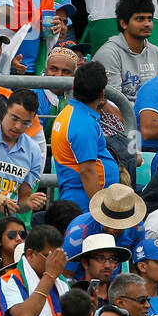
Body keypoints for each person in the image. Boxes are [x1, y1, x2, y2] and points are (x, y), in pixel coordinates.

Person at [50, 62, 120, 209]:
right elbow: (87, 170)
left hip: (80, 199)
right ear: (102, 93)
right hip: (84, 204)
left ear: (74, 88)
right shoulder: (82, 123)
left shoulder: (72, 114)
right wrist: (99, 210)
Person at [92, 0, 158, 103]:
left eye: (150, 19)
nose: (147, 24)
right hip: (122, 116)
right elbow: (114, 101)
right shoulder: (108, 54)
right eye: (140, 19)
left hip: (154, 114)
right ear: (123, 23)